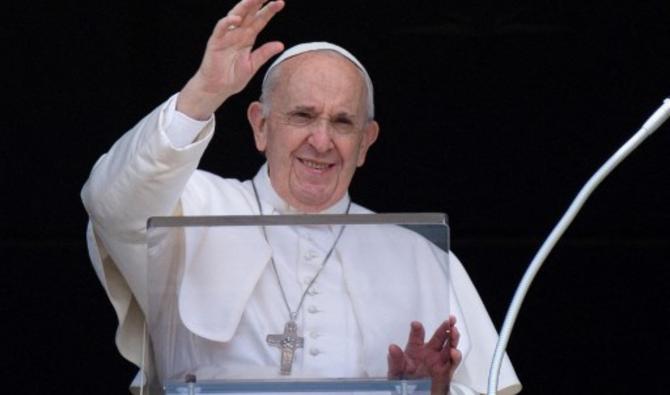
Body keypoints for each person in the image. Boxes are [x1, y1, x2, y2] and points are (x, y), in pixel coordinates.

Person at [81, 0, 521, 394]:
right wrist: (204, 94)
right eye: (303, 115)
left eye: (343, 123)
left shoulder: (419, 256)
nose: (322, 140)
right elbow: (110, 203)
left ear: (366, 142)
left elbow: (487, 387)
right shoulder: (193, 207)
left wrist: (430, 393)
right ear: (260, 125)